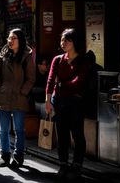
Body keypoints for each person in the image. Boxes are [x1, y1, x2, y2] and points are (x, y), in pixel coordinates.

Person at [45, 28, 89, 180]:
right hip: (59, 102)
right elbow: (51, 81)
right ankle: (63, 164)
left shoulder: (83, 60)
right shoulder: (57, 59)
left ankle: (77, 165)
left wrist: (62, 84)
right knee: (62, 135)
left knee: (77, 134)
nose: (63, 43)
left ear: (75, 42)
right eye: (62, 40)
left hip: (76, 103)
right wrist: (47, 100)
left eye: (67, 40)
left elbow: (78, 82)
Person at [0, 28, 35, 167]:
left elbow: (31, 78)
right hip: (3, 96)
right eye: (9, 38)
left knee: (19, 129)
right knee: (3, 129)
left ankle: (18, 155)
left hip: (19, 97)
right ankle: (5, 154)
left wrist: (23, 91)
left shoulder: (27, 56)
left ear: (20, 40)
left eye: (13, 38)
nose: (10, 41)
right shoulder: (4, 53)